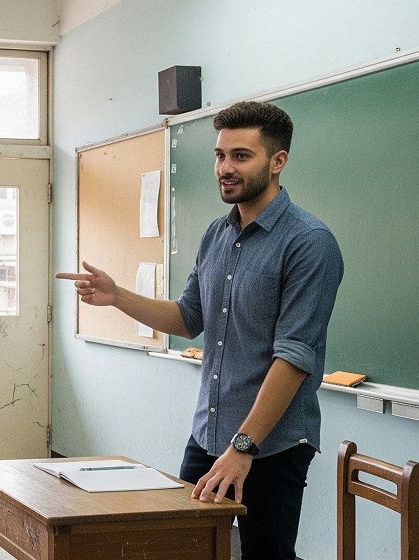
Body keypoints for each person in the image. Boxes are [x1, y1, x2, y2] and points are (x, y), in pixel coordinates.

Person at [56, 101, 343, 559]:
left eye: (240, 156)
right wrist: (117, 296)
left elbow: (294, 358)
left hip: (270, 446)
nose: (224, 168)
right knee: (185, 548)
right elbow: (189, 319)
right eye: (219, 155)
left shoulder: (309, 243)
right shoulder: (216, 234)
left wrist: (243, 447)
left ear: (277, 161)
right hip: (209, 433)